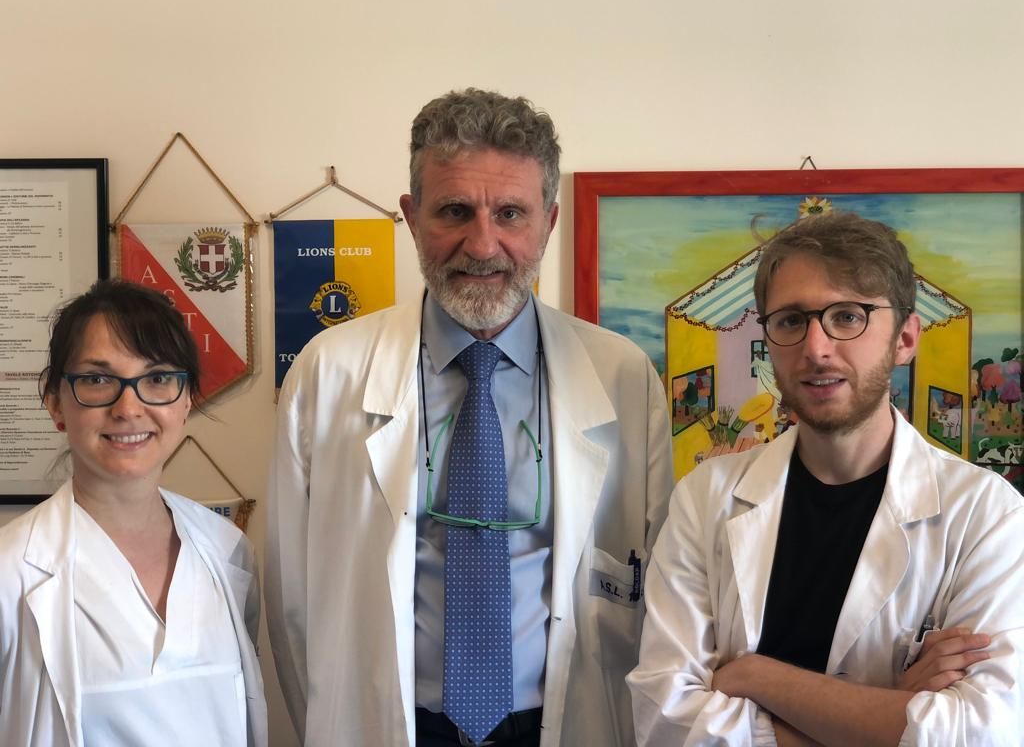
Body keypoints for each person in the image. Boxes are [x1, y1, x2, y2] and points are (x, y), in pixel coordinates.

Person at [266, 88, 673, 746]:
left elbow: (655, 589)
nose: (482, 245)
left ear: (549, 221)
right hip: (388, 722)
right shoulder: (327, 372)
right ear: (411, 216)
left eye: (510, 213)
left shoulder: (621, 376)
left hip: (566, 721)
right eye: (455, 211)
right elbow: (290, 603)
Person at [627, 211, 1024, 745]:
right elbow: (664, 720)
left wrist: (756, 677)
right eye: (791, 320)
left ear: (905, 338)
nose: (816, 348)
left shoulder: (986, 514)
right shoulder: (705, 500)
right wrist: (890, 712)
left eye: (848, 316)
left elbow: (985, 732)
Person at [0, 279, 267, 747]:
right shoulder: (10, 572)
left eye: (157, 378)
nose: (129, 407)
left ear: (186, 400)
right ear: (55, 402)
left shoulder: (228, 551)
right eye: (97, 379)